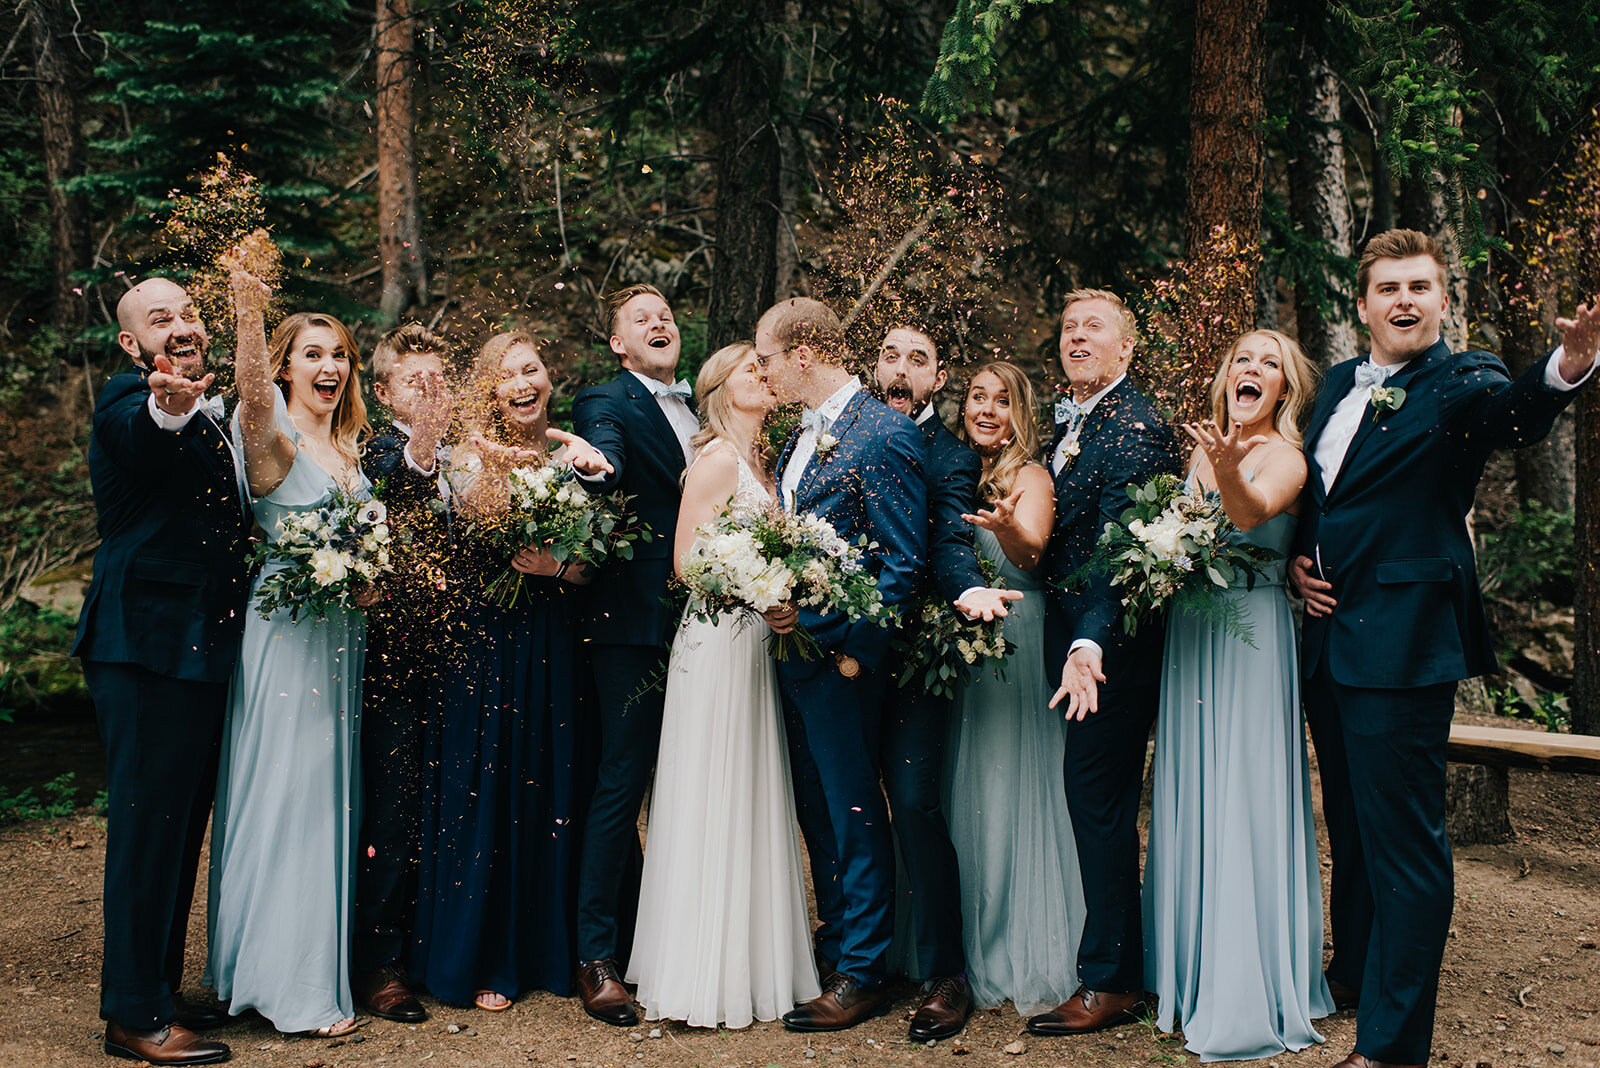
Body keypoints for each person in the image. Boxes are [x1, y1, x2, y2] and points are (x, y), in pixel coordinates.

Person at [1286, 229, 1600, 1068]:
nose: (1405, 301)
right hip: (1326, 641)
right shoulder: (1343, 383)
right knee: (1349, 825)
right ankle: (1352, 974)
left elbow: (1512, 416)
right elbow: (1324, 493)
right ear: (1362, 306)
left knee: (1404, 846)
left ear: (1443, 300)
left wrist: (1564, 369)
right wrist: (1294, 561)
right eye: (1388, 288)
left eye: (1420, 287)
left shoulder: (1462, 377)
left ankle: (1392, 1046)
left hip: (1402, 643)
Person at [1141, 330, 1332, 1061]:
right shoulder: (1201, 451)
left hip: (1250, 634)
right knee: (1193, 790)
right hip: (1194, 630)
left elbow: (1251, 516)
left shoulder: (1285, 454)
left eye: (1269, 365)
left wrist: (1226, 469)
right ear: (1227, 379)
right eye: (1243, 361)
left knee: (1244, 790)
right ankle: (1187, 969)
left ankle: (1247, 982)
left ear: (1285, 389)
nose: (1253, 371)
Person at [409, 331, 612, 1012]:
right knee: (486, 782)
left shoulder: (572, 458)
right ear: (488, 392)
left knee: (551, 785)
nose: (523, 383)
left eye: (532, 369)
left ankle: (550, 949)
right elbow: (478, 525)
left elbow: (595, 562)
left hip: (553, 637)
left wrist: (559, 562)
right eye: (506, 375)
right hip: (482, 640)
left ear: (549, 378)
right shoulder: (464, 458)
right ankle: (485, 953)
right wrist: (498, 469)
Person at [74, 278, 247, 1066]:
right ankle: (132, 1015)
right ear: (130, 343)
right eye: (160, 319)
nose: (180, 328)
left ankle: (161, 988)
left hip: (200, 649)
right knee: (147, 831)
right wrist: (169, 405)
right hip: (142, 647)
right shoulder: (125, 399)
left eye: (187, 314)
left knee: (179, 833)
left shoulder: (219, 415)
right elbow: (145, 435)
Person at [624, 342, 821, 1028]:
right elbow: (684, 565)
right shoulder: (713, 460)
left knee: (754, 791)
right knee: (715, 791)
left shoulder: (769, 460)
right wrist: (758, 590)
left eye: (765, 370)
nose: (765, 378)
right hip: (719, 642)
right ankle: (700, 971)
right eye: (751, 371)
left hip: (760, 644)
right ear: (718, 389)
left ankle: (755, 960)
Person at [205, 269, 376, 1037]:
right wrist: (249, 314)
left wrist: (373, 580)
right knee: (289, 797)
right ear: (284, 368)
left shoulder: (349, 448)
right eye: (312, 354)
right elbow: (246, 397)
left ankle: (296, 969)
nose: (330, 367)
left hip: (342, 637)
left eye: (338, 353)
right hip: (286, 640)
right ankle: (289, 989)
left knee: (328, 799)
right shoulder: (271, 440)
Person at [755, 297, 927, 1032]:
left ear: (800, 354)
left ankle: (864, 971)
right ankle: (838, 946)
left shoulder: (883, 433)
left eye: (764, 358)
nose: (759, 371)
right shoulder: (803, 432)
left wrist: (850, 652)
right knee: (819, 814)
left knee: (855, 815)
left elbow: (900, 565)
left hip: (843, 667)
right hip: (796, 661)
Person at [1027, 288, 1180, 1038]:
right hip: (1072, 642)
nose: (1077, 337)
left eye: (1094, 328)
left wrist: (1090, 644)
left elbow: (1121, 548)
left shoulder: (1139, 426)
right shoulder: (1071, 421)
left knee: (1097, 799)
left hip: (1113, 646)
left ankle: (1112, 980)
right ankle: (1116, 966)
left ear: (1127, 350)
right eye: (1068, 328)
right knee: (1094, 798)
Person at [873, 326, 1018, 1040]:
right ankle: (856, 958)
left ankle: (946, 975)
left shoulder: (952, 455)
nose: (903, 369)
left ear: (936, 381)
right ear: (875, 370)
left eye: (919, 360)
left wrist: (967, 591)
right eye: (891, 356)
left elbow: (949, 540)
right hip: (835, 655)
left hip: (912, 659)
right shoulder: (843, 435)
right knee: (840, 806)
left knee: (913, 802)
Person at [570, 284, 698, 1026]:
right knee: (622, 783)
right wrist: (592, 467)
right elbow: (608, 462)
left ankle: (680, 943)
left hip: (712, 622)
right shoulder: (604, 400)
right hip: (632, 623)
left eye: (666, 316)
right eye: (641, 320)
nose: (660, 324)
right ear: (618, 343)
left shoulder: (706, 407)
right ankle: (596, 956)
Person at [945, 360, 1085, 1017]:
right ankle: (958, 943)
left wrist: (1007, 530)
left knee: (1008, 790)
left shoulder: (1029, 476)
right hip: (958, 651)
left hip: (1018, 644)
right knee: (962, 792)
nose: (988, 408)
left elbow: (1032, 553)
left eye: (1003, 400)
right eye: (978, 396)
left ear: (1022, 413)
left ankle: (1015, 944)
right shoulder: (950, 470)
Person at [351, 322, 455, 1024]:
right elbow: (399, 483)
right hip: (395, 661)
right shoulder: (373, 449)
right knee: (395, 805)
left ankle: (438, 947)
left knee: (450, 805)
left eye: (440, 380)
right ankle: (379, 963)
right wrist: (424, 439)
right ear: (384, 390)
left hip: (470, 659)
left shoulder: (469, 451)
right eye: (416, 381)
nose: (432, 391)